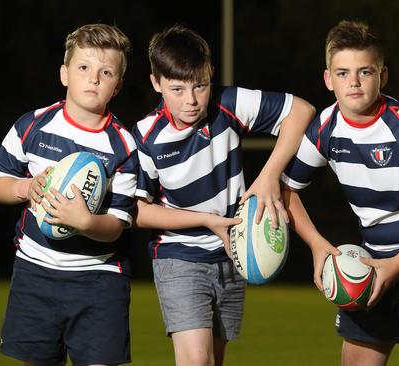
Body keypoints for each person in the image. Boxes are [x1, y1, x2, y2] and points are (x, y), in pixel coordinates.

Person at [281, 20, 399, 366]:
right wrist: (318, 246)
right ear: (327, 79)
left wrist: (396, 265)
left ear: (383, 76)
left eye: (365, 72)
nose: (353, 82)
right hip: (371, 258)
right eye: (343, 73)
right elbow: (286, 189)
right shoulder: (324, 128)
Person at [131, 26, 314, 366]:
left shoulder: (226, 104)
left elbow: (301, 111)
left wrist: (268, 176)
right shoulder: (146, 136)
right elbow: (140, 212)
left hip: (233, 254)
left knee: (214, 360)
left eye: (200, 85)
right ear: (157, 83)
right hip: (179, 256)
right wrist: (205, 221)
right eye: (177, 89)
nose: (191, 99)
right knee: (196, 361)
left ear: (211, 74)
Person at [0, 24, 137, 365]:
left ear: (117, 87)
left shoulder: (123, 146)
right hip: (35, 271)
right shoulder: (32, 125)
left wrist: (85, 222)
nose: (94, 79)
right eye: (83, 67)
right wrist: (25, 187)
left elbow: (117, 224)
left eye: (106, 72)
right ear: (64, 74)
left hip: (99, 278)